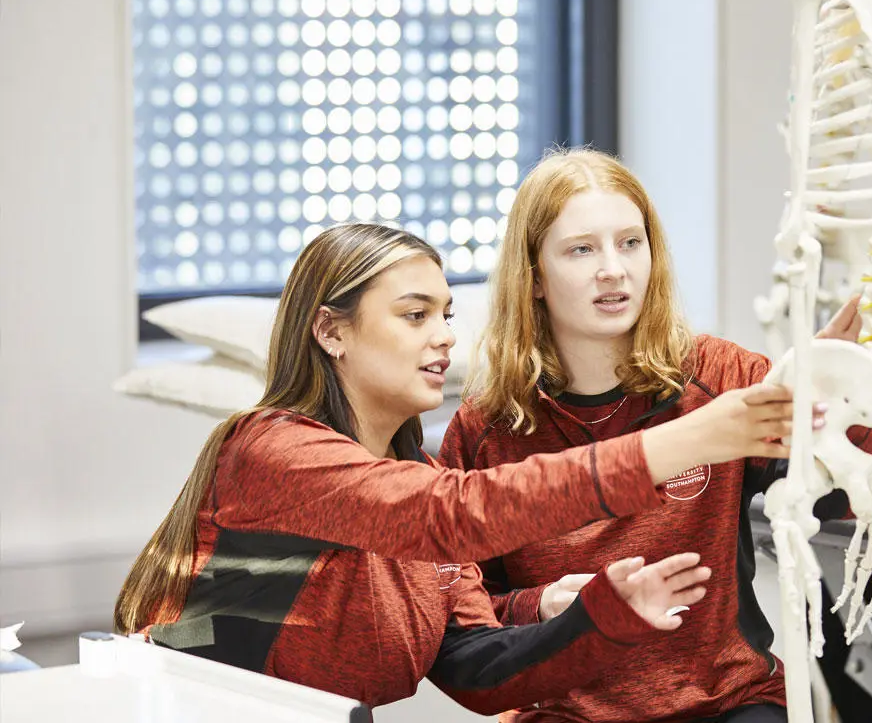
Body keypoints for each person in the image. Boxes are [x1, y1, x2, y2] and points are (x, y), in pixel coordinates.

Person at [113, 222, 822, 714]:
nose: (445, 337)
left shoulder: (413, 477)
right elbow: (453, 514)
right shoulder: (274, 452)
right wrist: (687, 440)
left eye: (447, 315)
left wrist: (594, 614)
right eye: (415, 315)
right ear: (330, 330)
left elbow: (478, 665)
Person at [439, 148, 872, 723]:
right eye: (581, 250)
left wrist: (841, 399)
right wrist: (539, 604)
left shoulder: (722, 376)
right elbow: (462, 615)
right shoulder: (487, 429)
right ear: (535, 277)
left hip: (728, 703)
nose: (613, 269)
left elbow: (845, 498)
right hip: (569, 714)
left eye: (630, 242)